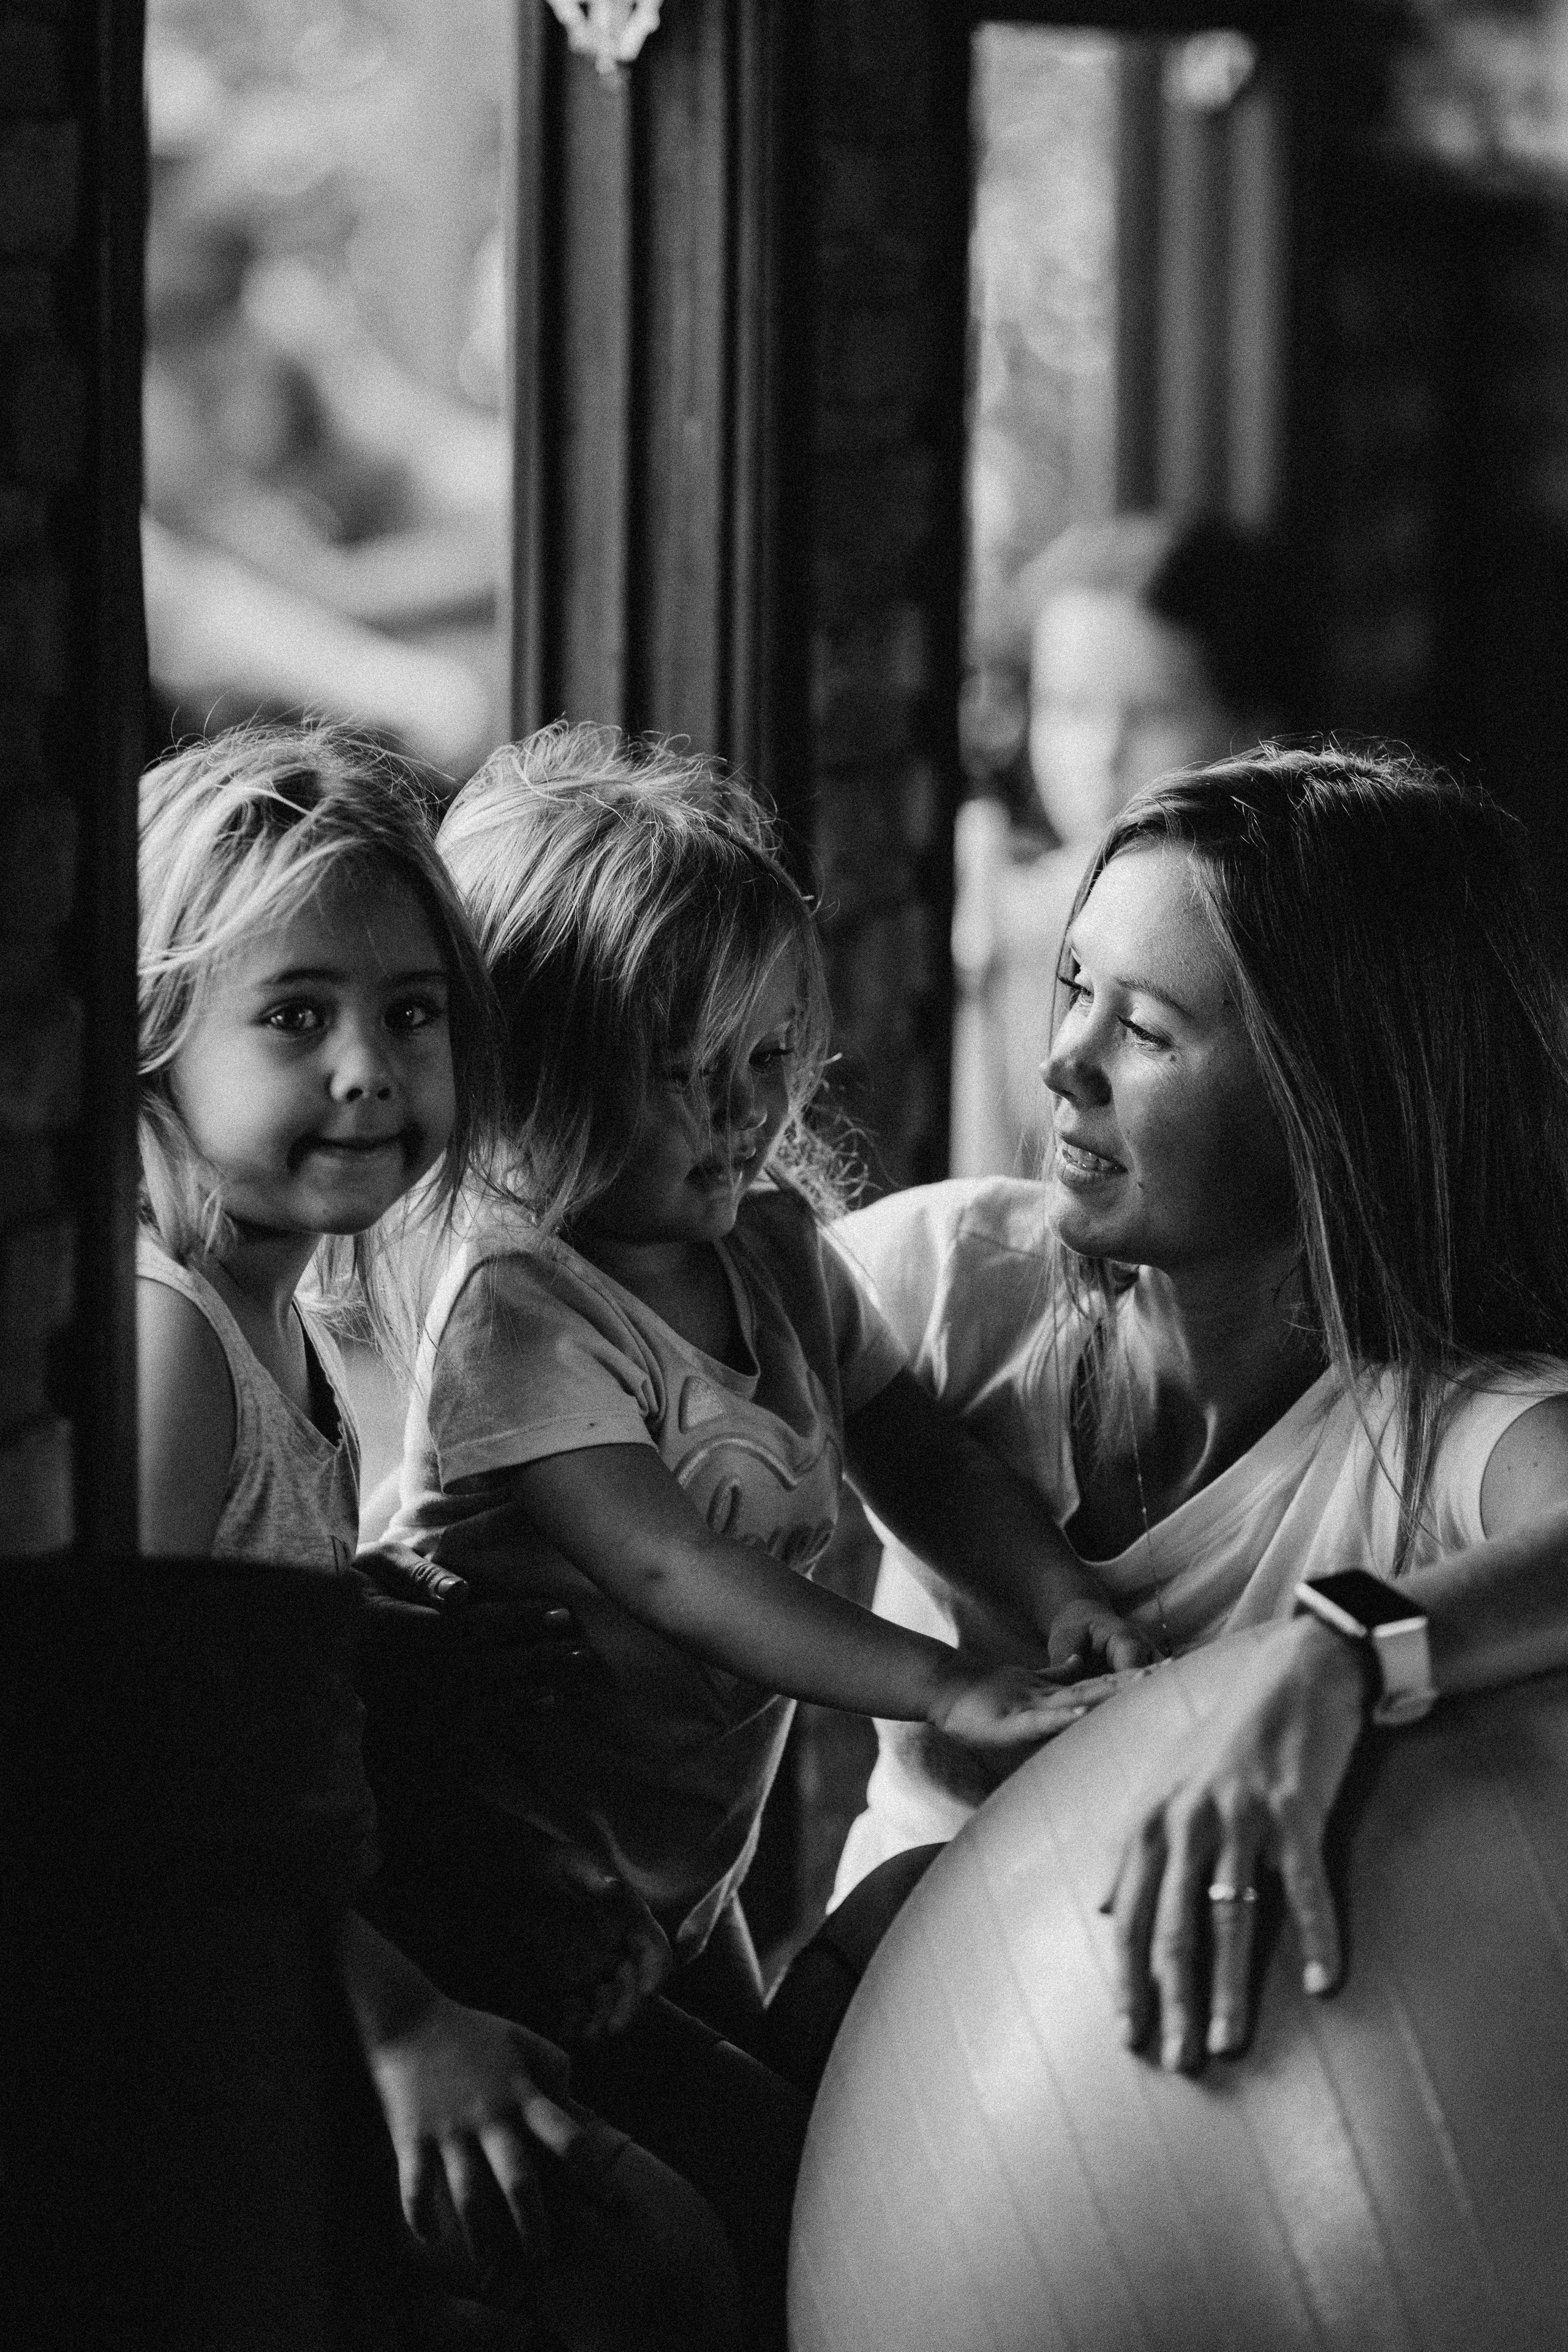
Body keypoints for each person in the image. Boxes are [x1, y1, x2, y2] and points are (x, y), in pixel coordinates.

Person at [378, 722, 1146, 2056]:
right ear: (541, 1070)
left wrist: (1055, 1594)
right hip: (506, 1868)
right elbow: (671, 1569)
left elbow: (919, 1454)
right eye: (687, 1072)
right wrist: (942, 1688)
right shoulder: (519, 1305)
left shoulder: (773, 1246)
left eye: (770, 1054)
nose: (747, 1112)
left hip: (682, 1864)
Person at [135, 719, 739, 2350]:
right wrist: (408, 2028)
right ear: (155, 1042)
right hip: (230, 2012)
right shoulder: (171, 1341)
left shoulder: (283, 1321)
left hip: (325, 1945)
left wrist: (357, 1622)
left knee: (752, 2139)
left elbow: (239, 1665)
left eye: (411, 1012)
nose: (368, 1068)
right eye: (295, 1017)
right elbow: (148, 1783)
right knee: (663, 2264)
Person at [834, 743, 1568, 2073]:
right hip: (853, 2055)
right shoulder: (936, 1288)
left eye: (1145, 1031)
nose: (1062, 1062)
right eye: (1076, 988)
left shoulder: (1443, 1425)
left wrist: (1340, 1655)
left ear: (1329, 1102)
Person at [952, 513, 1292, 1174]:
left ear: (1251, 729)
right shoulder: (1003, 911)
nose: (1102, 754)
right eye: (1069, 707)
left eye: (1152, 713)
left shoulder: (1284, 945)